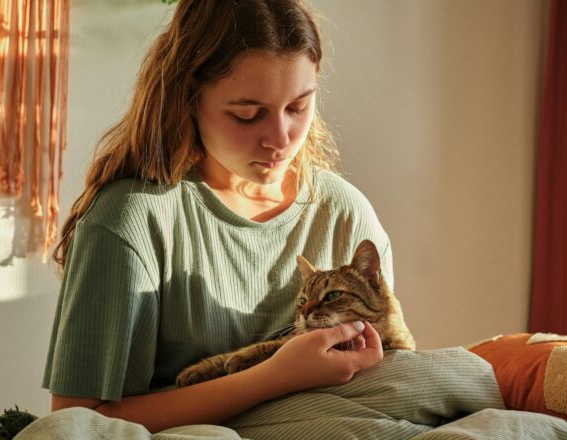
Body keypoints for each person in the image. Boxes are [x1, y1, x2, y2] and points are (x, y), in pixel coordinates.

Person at [43, 0, 394, 433]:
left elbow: (389, 381)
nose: (280, 139)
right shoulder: (130, 222)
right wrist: (273, 377)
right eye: (247, 114)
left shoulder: (345, 213)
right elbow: (74, 423)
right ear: (188, 97)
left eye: (298, 107)